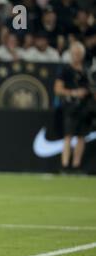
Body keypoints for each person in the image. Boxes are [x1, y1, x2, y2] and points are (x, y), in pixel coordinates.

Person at [54, 41, 91, 173]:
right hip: (69, 106)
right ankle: (64, 165)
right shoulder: (65, 70)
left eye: (79, 54)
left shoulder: (87, 71)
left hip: (85, 107)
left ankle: (76, 165)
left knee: (81, 136)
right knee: (68, 136)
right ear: (71, 54)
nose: (77, 56)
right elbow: (57, 89)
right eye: (74, 53)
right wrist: (74, 93)